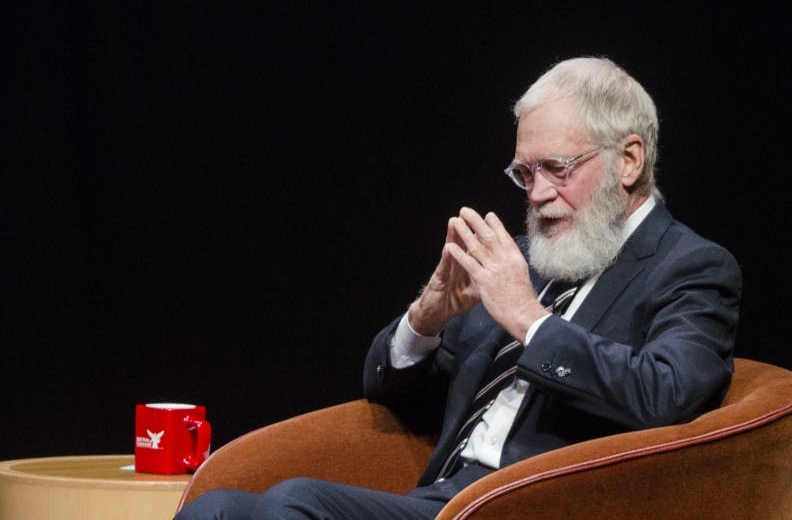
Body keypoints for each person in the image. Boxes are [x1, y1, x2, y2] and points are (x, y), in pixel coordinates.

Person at [175, 57, 741, 519]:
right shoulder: (525, 261)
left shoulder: (691, 266)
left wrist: (528, 319)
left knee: (294, 504)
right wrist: (426, 318)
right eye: (525, 173)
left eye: (557, 168)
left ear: (629, 160)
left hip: (532, 505)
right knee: (217, 509)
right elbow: (390, 392)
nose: (537, 194)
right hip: (443, 500)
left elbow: (666, 395)